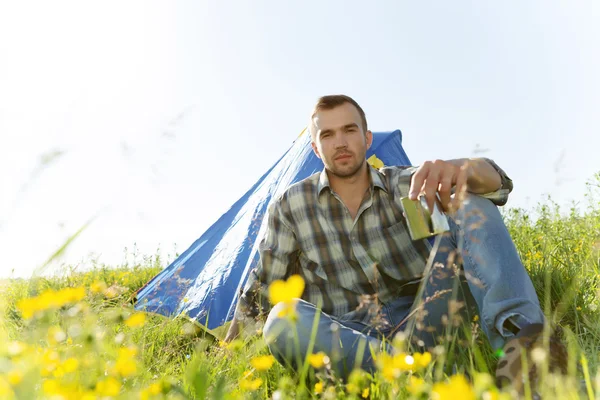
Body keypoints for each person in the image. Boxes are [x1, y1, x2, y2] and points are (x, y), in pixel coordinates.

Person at [224, 94, 567, 392]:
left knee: (469, 199)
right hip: (351, 337)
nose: (340, 142)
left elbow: (498, 184)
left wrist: (458, 168)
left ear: (367, 138)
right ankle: (412, 377)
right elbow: (263, 287)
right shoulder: (290, 205)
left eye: (349, 130)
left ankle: (526, 350)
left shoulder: (406, 182)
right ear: (315, 147)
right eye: (327, 134)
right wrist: (225, 357)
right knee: (282, 320)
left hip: (428, 316)